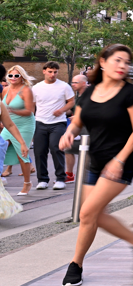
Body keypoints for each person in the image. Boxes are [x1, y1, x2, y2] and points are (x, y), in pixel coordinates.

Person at [58, 45, 133, 286]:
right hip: (96, 161)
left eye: (127, 62)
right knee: (93, 215)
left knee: (86, 213)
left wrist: (119, 160)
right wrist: (70, 132)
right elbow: (78, 121)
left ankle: (75, 264)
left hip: (121, 162)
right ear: (102, 62)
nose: (123, 65)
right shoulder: (90, 92)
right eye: (118, 60)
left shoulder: (130, 93)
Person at [32, 62, 75, 190]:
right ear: (44, 71)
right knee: (39, 151)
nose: (52, 74)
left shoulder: (64, 86)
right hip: (40, 122)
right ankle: (42, 180)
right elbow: (32, 105)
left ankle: (60, 179)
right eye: (50, 71)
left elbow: (71, 102)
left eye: (55, 72)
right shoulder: (36, 87)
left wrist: (61, 110)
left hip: (58, 123)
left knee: (56, 149)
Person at [1, 65, 36, 195]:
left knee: (22, 154)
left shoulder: (26, 90)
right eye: (11, 75)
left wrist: (11, 110)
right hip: (9, 124)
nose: (13, 78)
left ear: (22, 77)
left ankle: (27, 183)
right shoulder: (5, 89)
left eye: (17, 75)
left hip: (24, 125)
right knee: (1, 147)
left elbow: (30, 111)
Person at [64, 74, 88, 183]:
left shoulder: (91, 95)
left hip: (87, 130)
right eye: (72, 82)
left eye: (75, 82)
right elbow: (72, 110)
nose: (73, 85)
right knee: (68, 148)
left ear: (83, 83)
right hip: (77, 129)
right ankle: (69, 174)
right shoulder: (78, 97)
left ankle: (89, 176)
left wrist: (79, 117)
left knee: (88, 152)